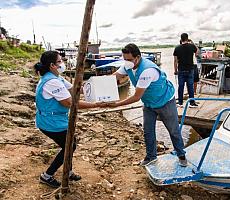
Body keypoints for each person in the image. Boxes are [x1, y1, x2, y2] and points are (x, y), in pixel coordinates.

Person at [105, 43, 187, 167]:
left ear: (137, 57)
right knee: (148, 131)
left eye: (129, 59)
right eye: (124, 59)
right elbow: (113, 78)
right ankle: (151, 157)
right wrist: (95, 85)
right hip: (149, 103)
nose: (126, 62)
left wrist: (116, 104)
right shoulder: (127, 66)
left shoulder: (147, 70)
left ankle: (181, 155)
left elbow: (136, 97)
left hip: (165, 101)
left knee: (173, 130)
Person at [34, 51, 102, 188]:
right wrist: (96, 105)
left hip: (55, 120)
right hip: (50, 122)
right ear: (52, 65)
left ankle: (68, 171)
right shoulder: (52, 82)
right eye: (59, 61)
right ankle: (47, 176)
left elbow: (75, 89)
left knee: (69, 144)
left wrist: (96, 88)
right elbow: (70, 103)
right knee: (70, 146)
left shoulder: (56, 77)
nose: (62, 64)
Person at [173, 33, 198, 108]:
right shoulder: (192, 46)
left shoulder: (177, 48)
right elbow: (197, 52)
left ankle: (180, 103)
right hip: (190, 69)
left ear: (181, 39)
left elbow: (175, 61)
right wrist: (192, 42)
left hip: (181, 70)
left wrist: (175, 70)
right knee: (190, 86)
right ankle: (192, 103)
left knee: (181, 86)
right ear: (187, 39)